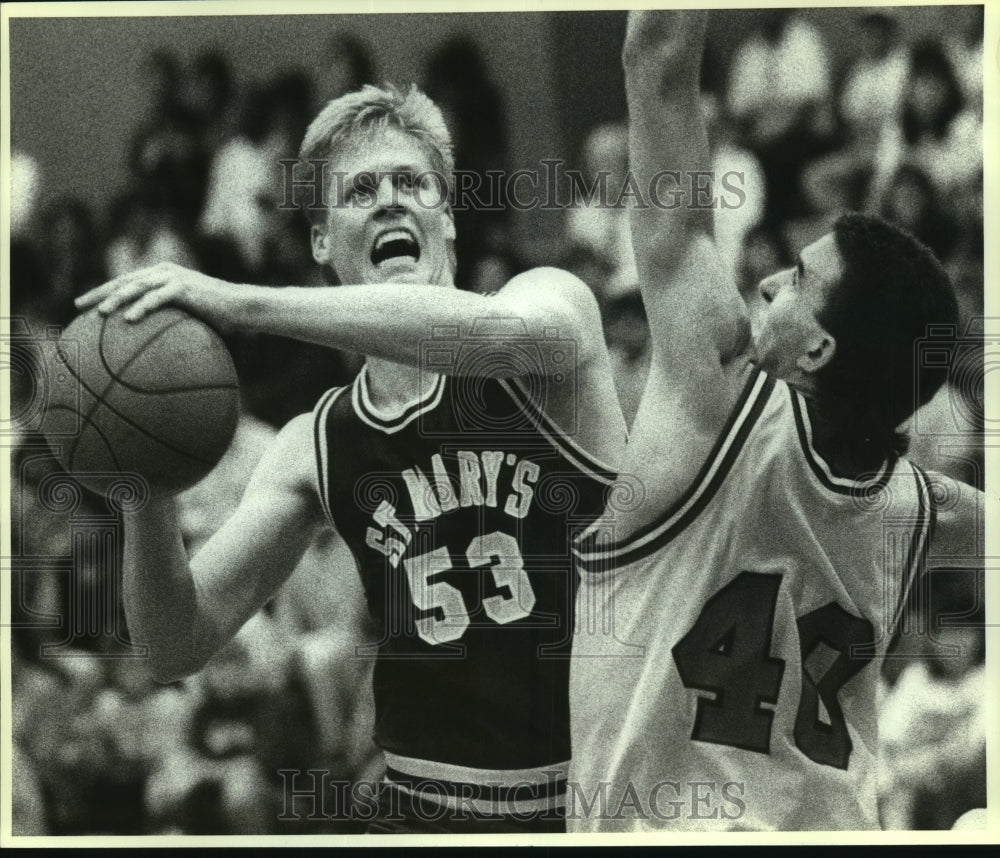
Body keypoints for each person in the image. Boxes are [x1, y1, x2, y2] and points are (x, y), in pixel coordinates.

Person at [75, 83, 626, 833]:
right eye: (360, 190)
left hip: (592, 801)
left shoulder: (546, 309)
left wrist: (243, 301)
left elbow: (499, 335)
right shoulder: (316, 444)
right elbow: (173, 644)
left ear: (450, 222)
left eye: (413, 183)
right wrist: (146, 483)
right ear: (323, 242)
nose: (391, 200)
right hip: (423, 808)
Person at [567, 11, 983, 831]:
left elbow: (654, 55)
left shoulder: (715, 393)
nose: (764, 286)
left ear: (819, 349)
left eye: (794, 278)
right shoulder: (922, 510)